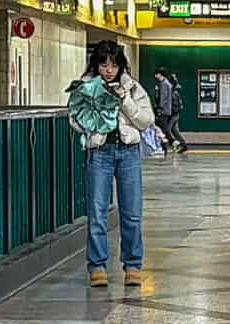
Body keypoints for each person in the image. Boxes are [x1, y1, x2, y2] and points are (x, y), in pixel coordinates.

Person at [66, 41, 155, 289]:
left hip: (128, 153)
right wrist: (92, 125)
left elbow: (145, 120)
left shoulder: (132, 87)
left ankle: (133, 265)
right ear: (96, 65)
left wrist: (124, 99)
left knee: (132, 212)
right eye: (103, 64)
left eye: (113, 65)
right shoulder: (85, 87)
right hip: (99, 152)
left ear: (121, 66)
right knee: (97, 212)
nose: (108, 70)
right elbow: (74, 116)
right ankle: (97, 266)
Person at [155, 68, 189, 154]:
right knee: (174, 130)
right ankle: (183, 145)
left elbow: (164, 100)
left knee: (167, 129)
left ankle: (174, 143)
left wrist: (161, 109)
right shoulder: (175, 91)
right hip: (174, 113)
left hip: (173, 114)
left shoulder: (169, 89)